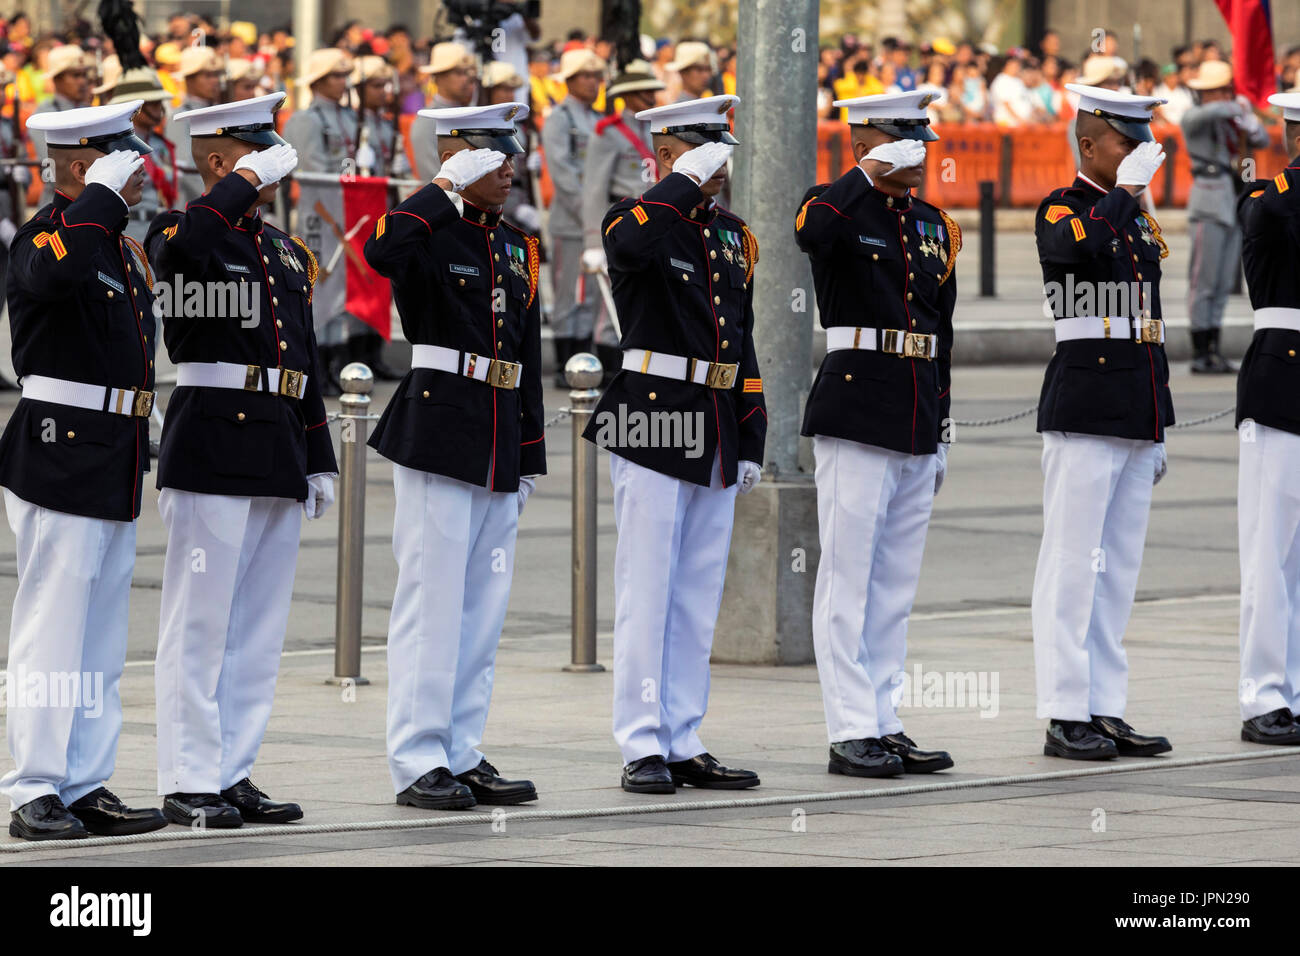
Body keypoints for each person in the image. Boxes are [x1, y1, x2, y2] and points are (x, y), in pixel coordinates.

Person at [146, 92, 338, 828]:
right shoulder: (183, 230)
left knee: (257, 628)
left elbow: (307, 358)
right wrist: (238, 185)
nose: (274, 163)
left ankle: (232, 769)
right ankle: (188, 777)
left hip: (278, 437)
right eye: (257, 151)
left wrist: (318, 451)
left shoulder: (286, 250)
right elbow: (183, 247)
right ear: (220, 162)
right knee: (200, 622)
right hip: (212, 438)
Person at [363, 102, 546, 811]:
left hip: (499, 426)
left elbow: (526, 350)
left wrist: (530, 451)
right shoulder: (429, 230)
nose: (510, 167)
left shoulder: (514, 244)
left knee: (480, 609)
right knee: (431, 601)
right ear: (457, 158)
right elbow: (380, 252)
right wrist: (441, 187)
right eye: (493, 155)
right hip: (440, 422)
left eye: (512, 153)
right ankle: (416, 758)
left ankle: (462, 750)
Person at [582, 95, 766, 795]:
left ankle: (684, 735)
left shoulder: (732, 235)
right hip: (650, 418)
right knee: (647, 587)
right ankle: (641, 742)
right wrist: (680, 181)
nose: (720, 167)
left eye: (722, 152)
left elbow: (742, 339)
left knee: (695, 594)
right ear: (666, 154)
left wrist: (751, 431)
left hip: (714, 418)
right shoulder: (640, 216)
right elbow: (630, 249)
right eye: (704, 152)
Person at [0, 101, 166, 842]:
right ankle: (33, 786)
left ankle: (86, 780)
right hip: (60, 444)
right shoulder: (46, 235)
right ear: (82, 167)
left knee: (99, 635)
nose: (142, 175)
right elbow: (45, 279)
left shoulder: (120, 249)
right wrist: (96, 197)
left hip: (115, 444)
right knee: (52, 627)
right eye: (125, 163)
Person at [794, 91, 958, 779]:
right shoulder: (834, 203)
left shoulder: (931, 223)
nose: (919, 150)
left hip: (916, 405)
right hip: (857, 402)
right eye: (903, 137)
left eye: (922, 136)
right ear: (869, 141)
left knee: (894, 582)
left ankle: (886, 720)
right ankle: (850, 727)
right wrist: (864, 172)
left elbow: (940, 326)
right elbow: (812, 233)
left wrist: (944, 421)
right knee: (849, 574)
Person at [1031, 84, 1175, 761]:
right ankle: (1065, 709)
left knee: (1117, 566)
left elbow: (1149, 323)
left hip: (1136, 401)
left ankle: (1105, 706)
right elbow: (1074, 254)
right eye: (1127, 139)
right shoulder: (1066, 208)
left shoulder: (1135, 218)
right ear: (1090, 144)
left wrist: (1159, 419)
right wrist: (1126, 197)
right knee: (1072, 562)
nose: (1141, 150)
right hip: (1086, 402)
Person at [1234, 92, 1300, 745]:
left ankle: (1296, 689)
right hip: (1282, 379)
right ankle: (1264, 695)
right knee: (1270, 552)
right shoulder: (1270, 199)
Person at [283, 48, 362, 394]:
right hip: (321, 211)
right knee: (319, 283)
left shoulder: (348, 117)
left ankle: (333, 363)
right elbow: (312, 170)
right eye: (335, 76)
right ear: (317, 81)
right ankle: (316, 364)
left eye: (344, 76)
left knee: (339, 286)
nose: (342, 83)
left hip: (345, 210)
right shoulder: (305, 119)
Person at [1182, 60, 1269, 373]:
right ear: (1204, 93)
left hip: (1232, 198)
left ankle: (1214, 347)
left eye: (1224, 89)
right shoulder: (1197, 117)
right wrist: (1235, 105)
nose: (1220, 95)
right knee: (1203, 281)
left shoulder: (1231, 118)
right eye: (1215, 90)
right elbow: (1205, 115)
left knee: (1221, 283)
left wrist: (1251, 122)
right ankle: (1199, 349)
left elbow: (1264, 141)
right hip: (1208, 200)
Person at [580, 60, 664, 378]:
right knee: (611, 301)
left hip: (653, 222)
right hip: (622, 221)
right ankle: (610, 368)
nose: (650, 98)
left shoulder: (658, 128)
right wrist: (593, 241)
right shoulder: (609, 132)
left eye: (652, 91)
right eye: (643, 92)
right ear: (627, 96)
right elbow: (594, 189)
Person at [540, 48, 604, 384]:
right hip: (571, 219)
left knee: (591, 293)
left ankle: (583, 355)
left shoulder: (596, 119)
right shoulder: (559, 119)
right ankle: (566, 362)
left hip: (592, 222)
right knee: (568, 293)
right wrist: (589, 213)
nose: (594, 82)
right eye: (586, 76)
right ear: (569, 80)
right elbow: (562, 173)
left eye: (596, 76)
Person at [108, 67, 176, 243]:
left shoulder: (160, 142)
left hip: (162, 228)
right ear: (135, 107)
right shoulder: (115, 145)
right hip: (132, 228)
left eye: (159, 101)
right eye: (152, 103)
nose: (159, 108)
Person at [30, 45, 91, 205]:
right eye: (76, 75)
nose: (83, 81)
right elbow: (53, 168)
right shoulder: (45, 114)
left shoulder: (90, 111)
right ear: (57, 79)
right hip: (57, 205)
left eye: (84, 75)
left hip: (89, 201)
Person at [164, 45, 223, 207]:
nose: (215, 81)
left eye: (217, 75)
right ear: (189, 79)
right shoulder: (180, 117)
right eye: (208, 76)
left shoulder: (220, 112)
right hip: (195, 205)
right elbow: (186, 170)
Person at [410, 42, 477, 183]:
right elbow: (432, 178)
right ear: (438, 76)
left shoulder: (472, 114)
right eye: (459, 73)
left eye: (467, 73)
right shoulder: (427, 120)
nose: (466, 79)